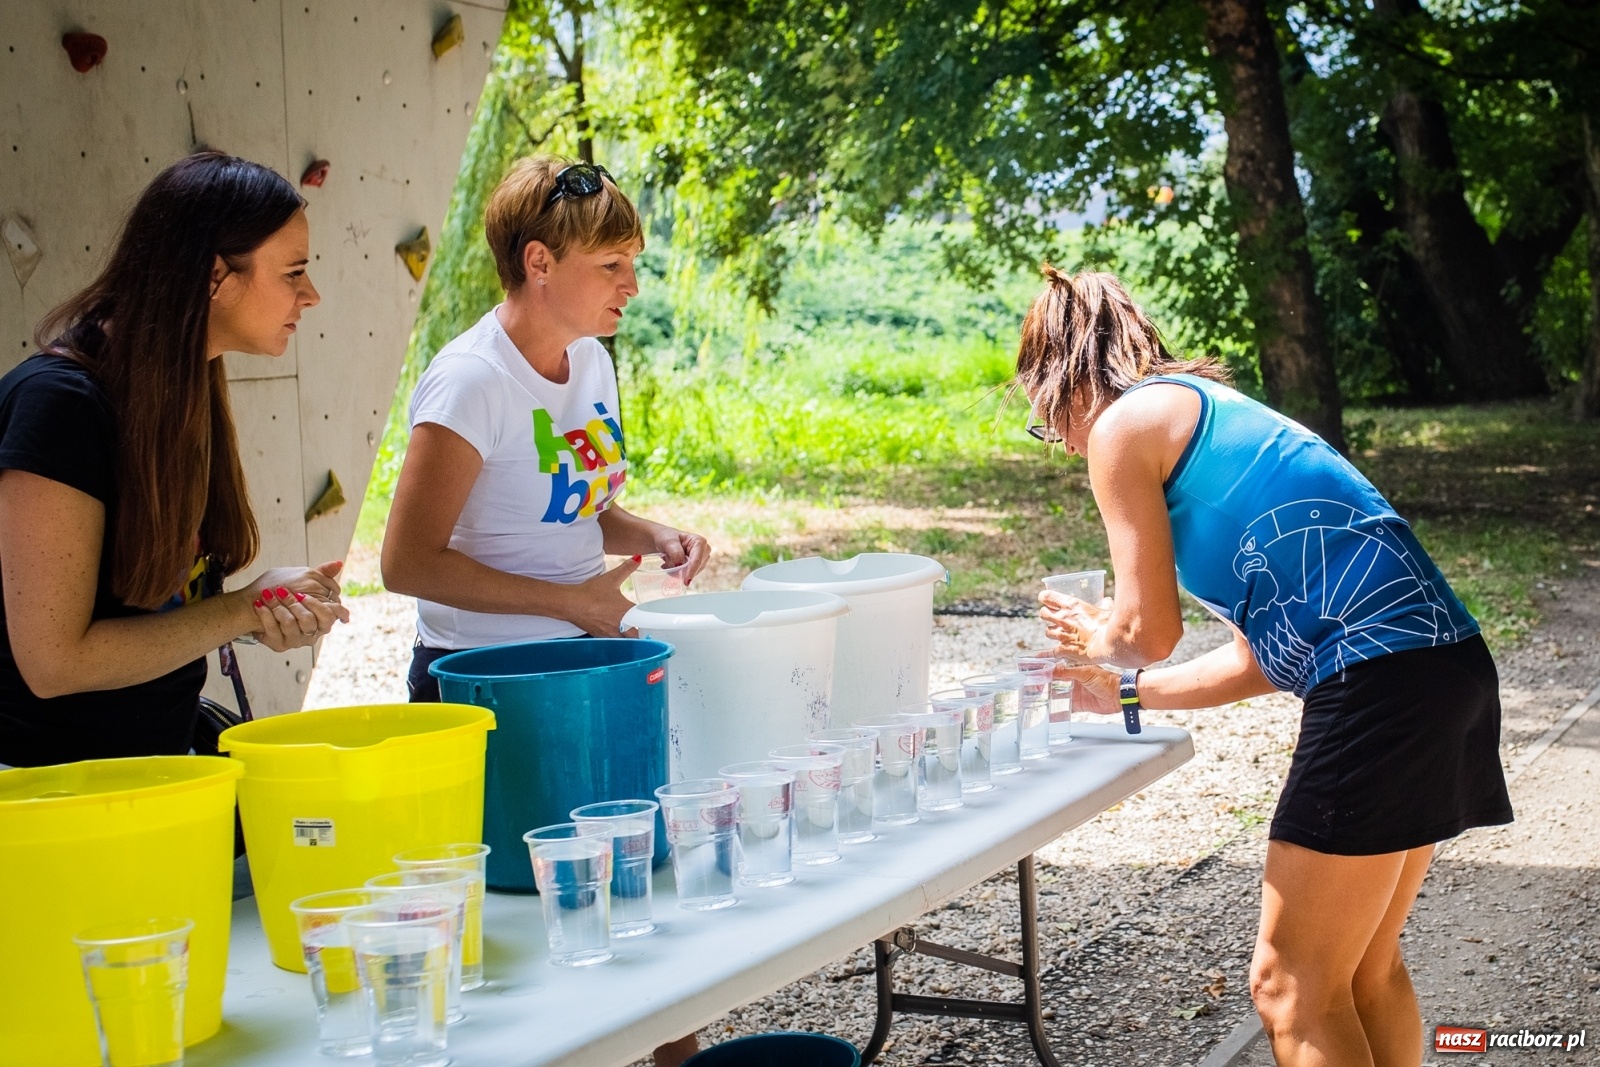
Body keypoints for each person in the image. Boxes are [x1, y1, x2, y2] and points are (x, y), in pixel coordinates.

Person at [1017, 269, 1512, 1067]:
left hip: (1380, 684)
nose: (1064, 445)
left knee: (1289, 985)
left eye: (1048, 426)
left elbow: (1146, 629)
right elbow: (1264, 658)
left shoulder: (1122, 427)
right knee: (1360, 972)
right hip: (1447, 669)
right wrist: (1125, 694)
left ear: (1060, 382)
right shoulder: (1211, 422)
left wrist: (1095, 635)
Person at [0, 152, 350, 768]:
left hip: (147, 784)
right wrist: (240, 608)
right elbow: (53, 663)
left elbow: (149, 617)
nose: (312, 295)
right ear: (216, 276)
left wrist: (257, 612)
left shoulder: (184, 386)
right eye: (293, 272)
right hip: (49, 807)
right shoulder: (58, 406)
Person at [382, 156, 709, 703]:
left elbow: (568, 514)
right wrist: (572, 602)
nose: (631, 285)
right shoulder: (471, 379)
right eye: (610, 264)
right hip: (484, 674)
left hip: (584, 649)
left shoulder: (592, 360)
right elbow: (406, 564)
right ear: (540, 262)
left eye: (632, 261)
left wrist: (656, 537)